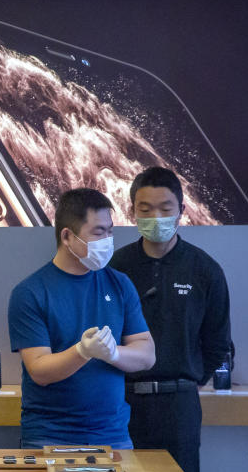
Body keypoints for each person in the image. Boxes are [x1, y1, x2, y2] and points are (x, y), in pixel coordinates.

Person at [110, 167, 233, 472]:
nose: (156, 217)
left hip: (179, 404)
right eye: (145, 209)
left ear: (182, 211)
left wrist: (186, 378)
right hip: (122, 400)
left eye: (165, 209)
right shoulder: (116, 268)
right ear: (132, 212)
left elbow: (218, 343)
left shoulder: (204, 269)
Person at [8, 188, 155, 449]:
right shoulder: (30, 292)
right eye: (99, 232)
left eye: (110, 231)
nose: (108, 240)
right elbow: (39, 370)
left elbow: (146, 354)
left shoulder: (120, 284)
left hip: (113, 435)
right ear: (67, 236)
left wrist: (112, 353)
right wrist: (82, 351)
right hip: (49, 436)